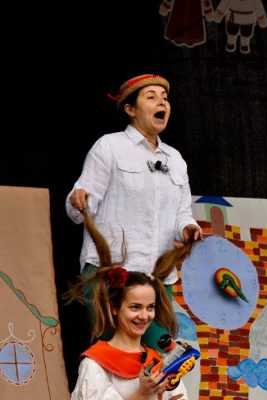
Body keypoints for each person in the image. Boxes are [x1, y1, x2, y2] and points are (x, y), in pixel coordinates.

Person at [66, 73, 201, 350]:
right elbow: (78, 208)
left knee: (158, 357)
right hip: (112, 273)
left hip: (156, 277)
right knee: (115, 356)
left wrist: (188, 228)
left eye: (164, 98)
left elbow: (182, 213)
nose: (161, 103)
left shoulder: (175, 159)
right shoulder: (110, 146)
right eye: (151, 97)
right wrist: (78, 200)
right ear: (130, 109)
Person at [66, 210, 195, 399]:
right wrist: (141, 394)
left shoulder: (159, 362)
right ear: (114, 307)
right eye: (135, 307)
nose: (144, 316)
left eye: (150, 307)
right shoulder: (96, 364)